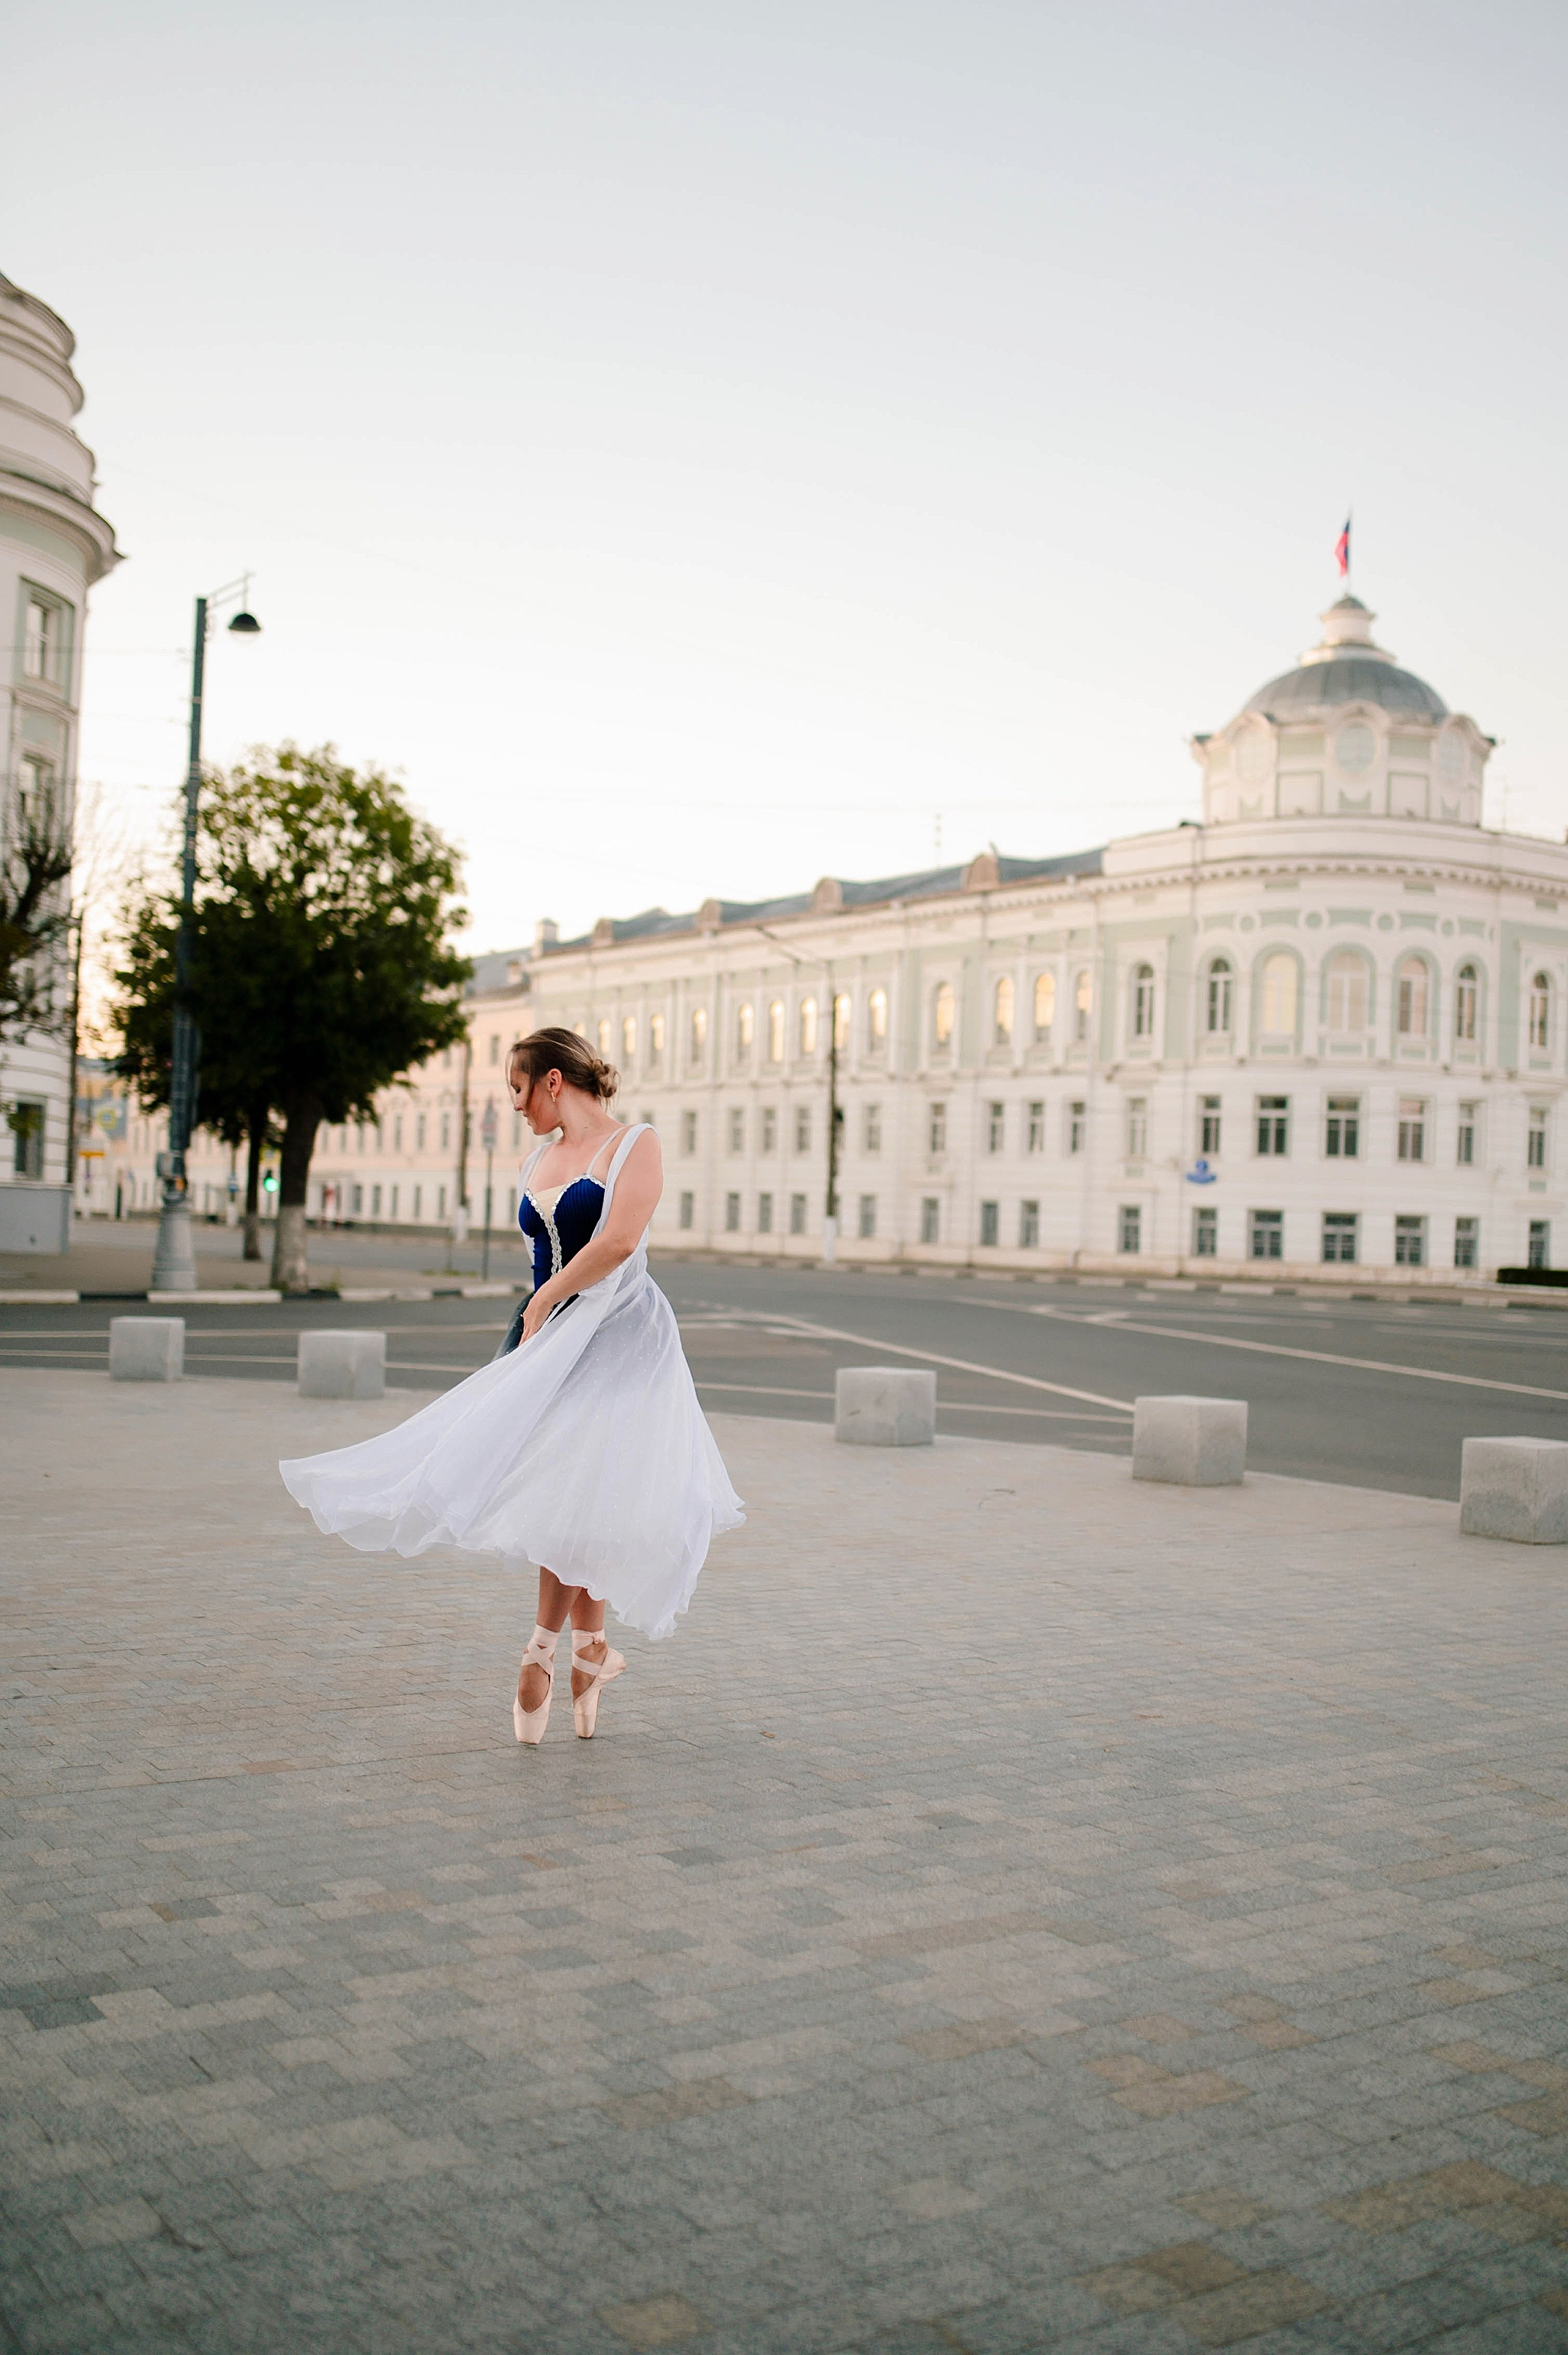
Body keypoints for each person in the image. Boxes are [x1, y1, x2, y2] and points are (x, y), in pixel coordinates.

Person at [279, 1027, 744, 1747]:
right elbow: (542, 1255)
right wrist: (540, 1316)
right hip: (555, 1344)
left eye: (518, 1089)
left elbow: (619, 1243)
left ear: (554, 1081)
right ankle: (579, 1655)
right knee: (574, 1495)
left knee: (588, 1495)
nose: (515, 1106)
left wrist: (540, 1302)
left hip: (623, 1339)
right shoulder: (538, 1157)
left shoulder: (634, 1145)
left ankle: (545, 1660)